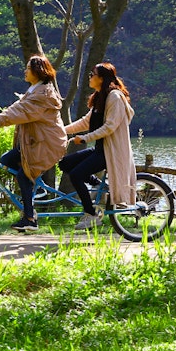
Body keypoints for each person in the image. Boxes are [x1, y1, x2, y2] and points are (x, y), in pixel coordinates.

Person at [0, 54, 67, 232]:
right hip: (36, 142)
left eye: (28, 68)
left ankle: (30, 218)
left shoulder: (43, 94)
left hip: (47, 143)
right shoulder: (35, 90)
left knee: (23, 175)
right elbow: (16, 108)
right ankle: (36, 186)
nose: (25, 71)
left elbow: (22, 111)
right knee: (6, 160)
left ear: (37, 71)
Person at [61, 62, 136, 231]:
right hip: (100, 149)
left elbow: (109, 126)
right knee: (65, 164)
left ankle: (91, 215)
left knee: (76, 175)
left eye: (92, 74)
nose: (89, 77)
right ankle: (98, 186)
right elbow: (86, 122)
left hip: (111, 152)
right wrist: (62, 132)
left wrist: (85, 138)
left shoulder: (114, 97)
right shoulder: (100, 97)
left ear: (101, 78)